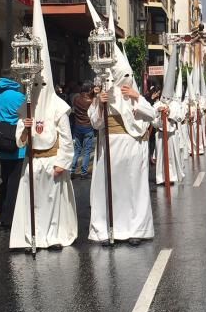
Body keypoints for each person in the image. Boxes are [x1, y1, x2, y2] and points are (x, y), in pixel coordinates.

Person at [10, 0, 77, 250]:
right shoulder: (26, 107)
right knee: (33, 201)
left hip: (52, 163)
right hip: (33, 162)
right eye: (34, 86)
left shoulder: (59, 107)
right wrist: (25, 129)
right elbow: (19, 140)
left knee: (51, 201)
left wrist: (63, 162)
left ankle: (52, 236)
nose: (37, 90)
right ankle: (31, 236)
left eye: (41, 85)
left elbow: (67, 139)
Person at [87, 42, 157, 246]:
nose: (126, 81)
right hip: (109, 146)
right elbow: (96, 122)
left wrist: (137, 97)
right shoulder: (103, 95)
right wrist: (100, 103)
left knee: (133, 188)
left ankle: (136, 229)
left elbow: (151, 115)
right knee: (111, 188)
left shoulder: (133, 94)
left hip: (131, 146)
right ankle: (110, 227)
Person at [0, 70, 26, 231]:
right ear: (15, 79)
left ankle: (1, 218)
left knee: (4, 181)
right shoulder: (19, 97)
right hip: (17, 143)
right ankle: (11, 219)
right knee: (15, 182)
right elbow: (26, 117)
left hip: (1, 142)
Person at [151, 50, 185, 186]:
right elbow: (153, 121)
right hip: (160, 135)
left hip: (172, 134)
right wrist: (159, 113)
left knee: (172, 155)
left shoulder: (175, 104)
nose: (165, 99)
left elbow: (180, 117)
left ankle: (172, 176)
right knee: (161, 157)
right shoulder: (157, 104)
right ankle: (161, 177)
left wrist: (170, 112)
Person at [70, 84, 96, 179]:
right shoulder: (91, 101)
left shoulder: (76, 99)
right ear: (89, 90)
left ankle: (72, 171)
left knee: (77, 150)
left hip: (78, 127)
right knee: (87, 151)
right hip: (88, 127)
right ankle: (84, 173)